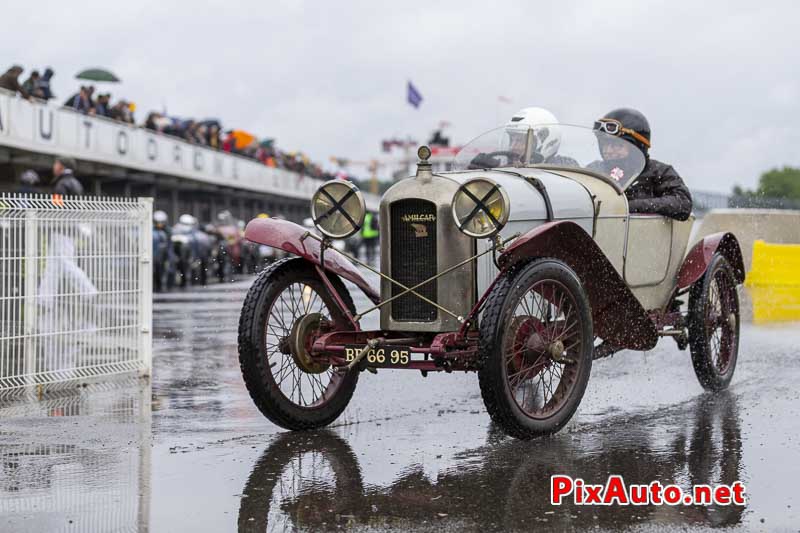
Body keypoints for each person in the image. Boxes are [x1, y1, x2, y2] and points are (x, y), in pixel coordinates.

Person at [592, 108, 692, 221]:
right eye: (605, 145)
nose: (609, 150)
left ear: (637, 148)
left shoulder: (658, 171)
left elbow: (682, 203)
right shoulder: (595, 169)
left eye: (617, 145)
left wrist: (628, 206)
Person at [470, 107, 578, 168]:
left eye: (521, 140)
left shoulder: (563, 168)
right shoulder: (503, 168)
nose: (513, 147)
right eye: (512, 140)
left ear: (545, 142)